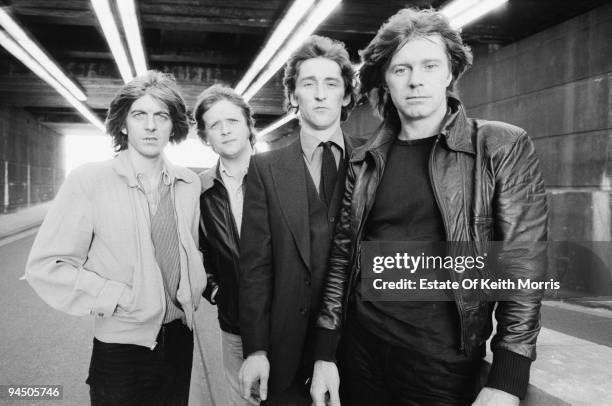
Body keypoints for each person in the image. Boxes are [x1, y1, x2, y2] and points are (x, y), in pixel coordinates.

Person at [310, 8, 548, 406]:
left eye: (429, 65)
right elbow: (343, 256)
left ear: (450, 72)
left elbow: (522, 263)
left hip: (442, 362)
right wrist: (325, 351)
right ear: (385, 79)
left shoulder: (499, 145)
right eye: (401, 69)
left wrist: (508, 375)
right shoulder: (365, 158)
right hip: (360, 349)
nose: (415, 79)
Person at [25, 70, 205, 406]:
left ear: (172, 126)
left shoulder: (187, 184)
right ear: (123, 124)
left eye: (161, 116)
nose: (150, 125)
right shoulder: (89, 180)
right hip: (120, 348)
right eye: (140, 115)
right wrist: (117, 296)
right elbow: (46, 265)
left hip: (181, 339)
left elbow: (190, 252)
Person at [238, 35, 359, 405]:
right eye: (309, 84)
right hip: (284, 353)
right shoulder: (264, 168)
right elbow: (255, 266)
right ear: (293, 96)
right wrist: (255, 349)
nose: (320, 94)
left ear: (347, 95)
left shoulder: (374, 161)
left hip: (356, 350)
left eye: (331, 84)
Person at [194, 85, 255, 406]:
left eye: (232, 120)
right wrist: (217, 291)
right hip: (234, 323)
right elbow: (196, 251)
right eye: (214, 125)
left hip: (286, 322)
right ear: (205, 136)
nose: (225, 130)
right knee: (242, 399)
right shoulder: (200, 191)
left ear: (248, 124)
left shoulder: (280, 178)